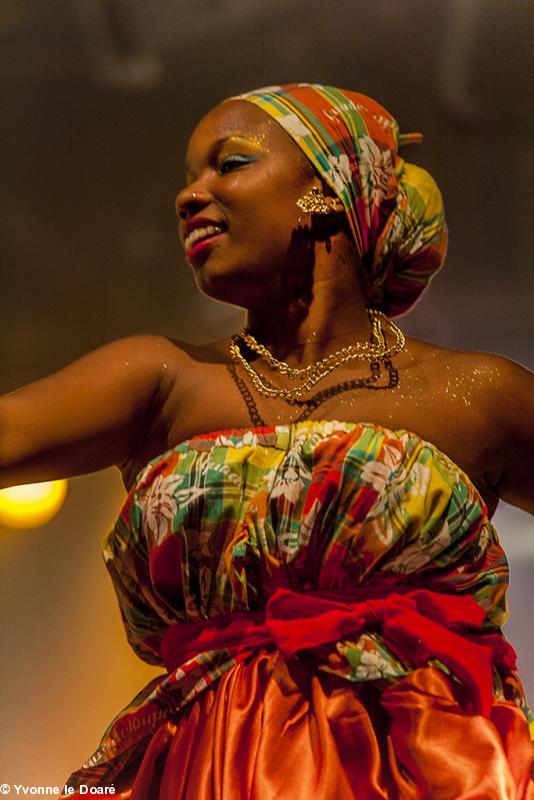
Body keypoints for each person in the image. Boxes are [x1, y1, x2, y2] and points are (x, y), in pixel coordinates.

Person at [1, 82, 533, 798]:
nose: (192, 195)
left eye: (230, 163)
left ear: (325, 187)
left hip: (430, 769)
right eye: (190, 178)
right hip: (211, 766)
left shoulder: (478, 396)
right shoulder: (164, 380)